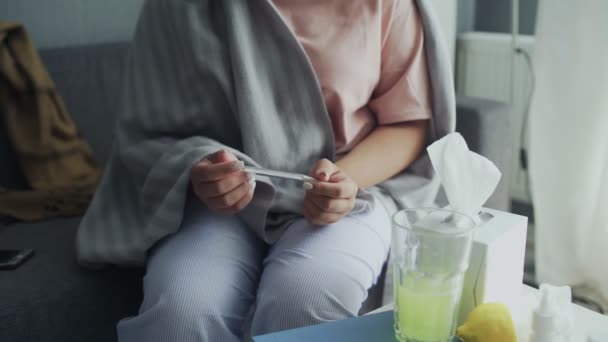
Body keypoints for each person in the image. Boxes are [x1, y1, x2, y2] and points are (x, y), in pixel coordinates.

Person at [102, 0, 433, 340]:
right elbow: (149, 131)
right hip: (218, 204)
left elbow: (408, 123)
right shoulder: (176, 7)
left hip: (352, 190)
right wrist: (200, 170)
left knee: (304, 300)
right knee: (181, 315)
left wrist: (343, 179)